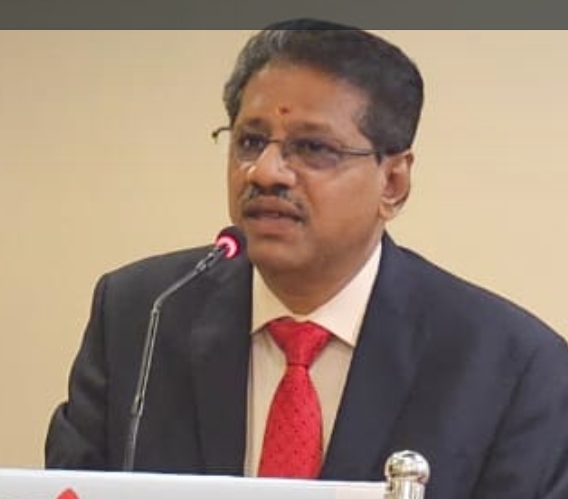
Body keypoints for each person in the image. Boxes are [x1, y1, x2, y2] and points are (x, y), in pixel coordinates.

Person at [45, 22, 568, 499]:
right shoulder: (144, 315)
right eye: (250, 142)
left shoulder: (510, 366)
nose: (264, 172)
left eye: (313, 148)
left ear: (393, 182)